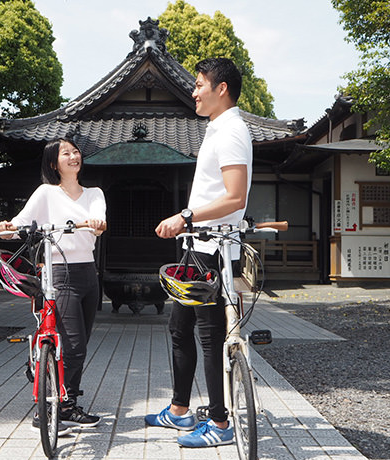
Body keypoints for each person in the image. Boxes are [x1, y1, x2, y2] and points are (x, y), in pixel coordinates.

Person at [146, 57, 253, 448]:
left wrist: (185, 215)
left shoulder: (231, 131)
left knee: (210, 336)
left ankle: (221, 424)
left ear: (220, 88)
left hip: (212, 249)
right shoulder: (217, 129)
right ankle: (179, 411)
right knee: (179, 328)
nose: (193, 91)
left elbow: (234, 196)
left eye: (198, 84)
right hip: (197, 247)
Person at [0, 137, 107, 429]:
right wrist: (2, 229)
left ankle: (68, 404)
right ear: (54, 163)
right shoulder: (45, 193)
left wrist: (96, 223)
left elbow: (99, 219)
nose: (73, 156)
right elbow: (19, 226)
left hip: (88, 275)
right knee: (74, 346)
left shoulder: (94, 193)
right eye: (66, 153)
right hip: (59, 275)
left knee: (81, 344)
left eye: (75, 152)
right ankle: (52, 405)